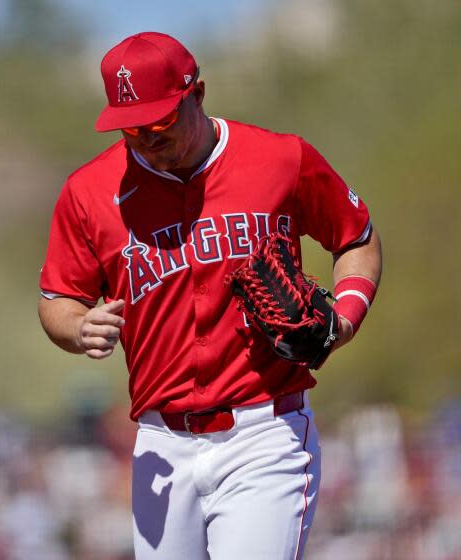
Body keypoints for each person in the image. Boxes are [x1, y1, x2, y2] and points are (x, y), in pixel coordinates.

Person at [38, 32, 382, 560]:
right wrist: (77, 326)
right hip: (160, 441)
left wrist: (344, 320)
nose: (147, 138)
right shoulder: (89, 191)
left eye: (160, 122)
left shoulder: (280, 159)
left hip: (263, 433)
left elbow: (355, 238)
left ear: (196, 94)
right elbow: (57, 298)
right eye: (132, 128)